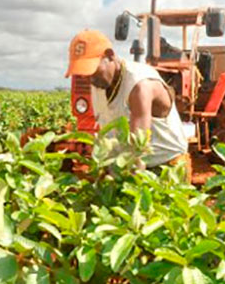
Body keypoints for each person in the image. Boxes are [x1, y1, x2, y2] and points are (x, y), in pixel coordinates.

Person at [65, 29, 191, 181]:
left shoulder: (140, 85)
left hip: (167, 168)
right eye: (84, 73)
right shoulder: (99, 83)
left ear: (110, 55)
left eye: (93, 70)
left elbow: (136, 151)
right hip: (126, 163)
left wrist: (123, 189)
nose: (89, 79)